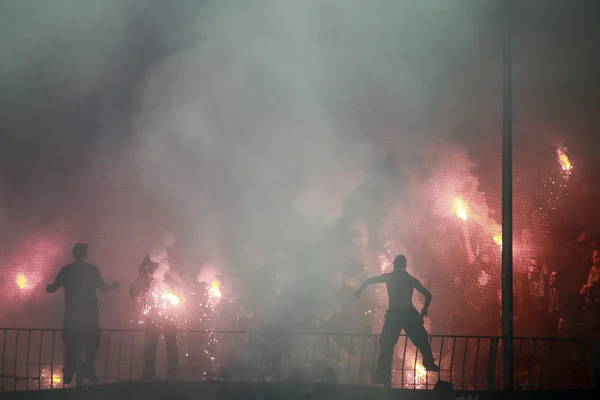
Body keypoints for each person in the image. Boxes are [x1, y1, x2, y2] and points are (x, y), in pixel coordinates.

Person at [355, 254, 439, 388]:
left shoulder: (388, 277)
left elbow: (368, 281)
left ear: (394, 265)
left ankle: (383, 376)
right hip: (408, 314)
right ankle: (429, 363)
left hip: (394, 315)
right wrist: (424, 311)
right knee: (422, 339)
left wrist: (359, 290)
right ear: (405, 266)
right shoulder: (410, 279)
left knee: (386, 345)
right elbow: (428, 294)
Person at [46, 243, 119, 384]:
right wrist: (114, 287)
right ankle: (89, 369)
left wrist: (49, 288)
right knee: (92, 341)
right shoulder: (92, 270)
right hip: (89, 315)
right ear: (85, 255)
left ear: (74, 254)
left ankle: (69, 369)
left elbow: (52, 288)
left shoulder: (67, 270)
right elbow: (104, 287)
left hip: (72, 314)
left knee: (70, 341)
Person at [130, 254, 180, 382]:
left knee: (158, 345)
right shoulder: (147, 277)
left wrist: (138, 297)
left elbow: (133, 290)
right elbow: (134, 290)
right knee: (160, 345)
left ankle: (154, 373)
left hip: (163, 315)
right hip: (158, 315)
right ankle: (158, 373)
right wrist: (138, 298)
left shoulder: (164, 276)